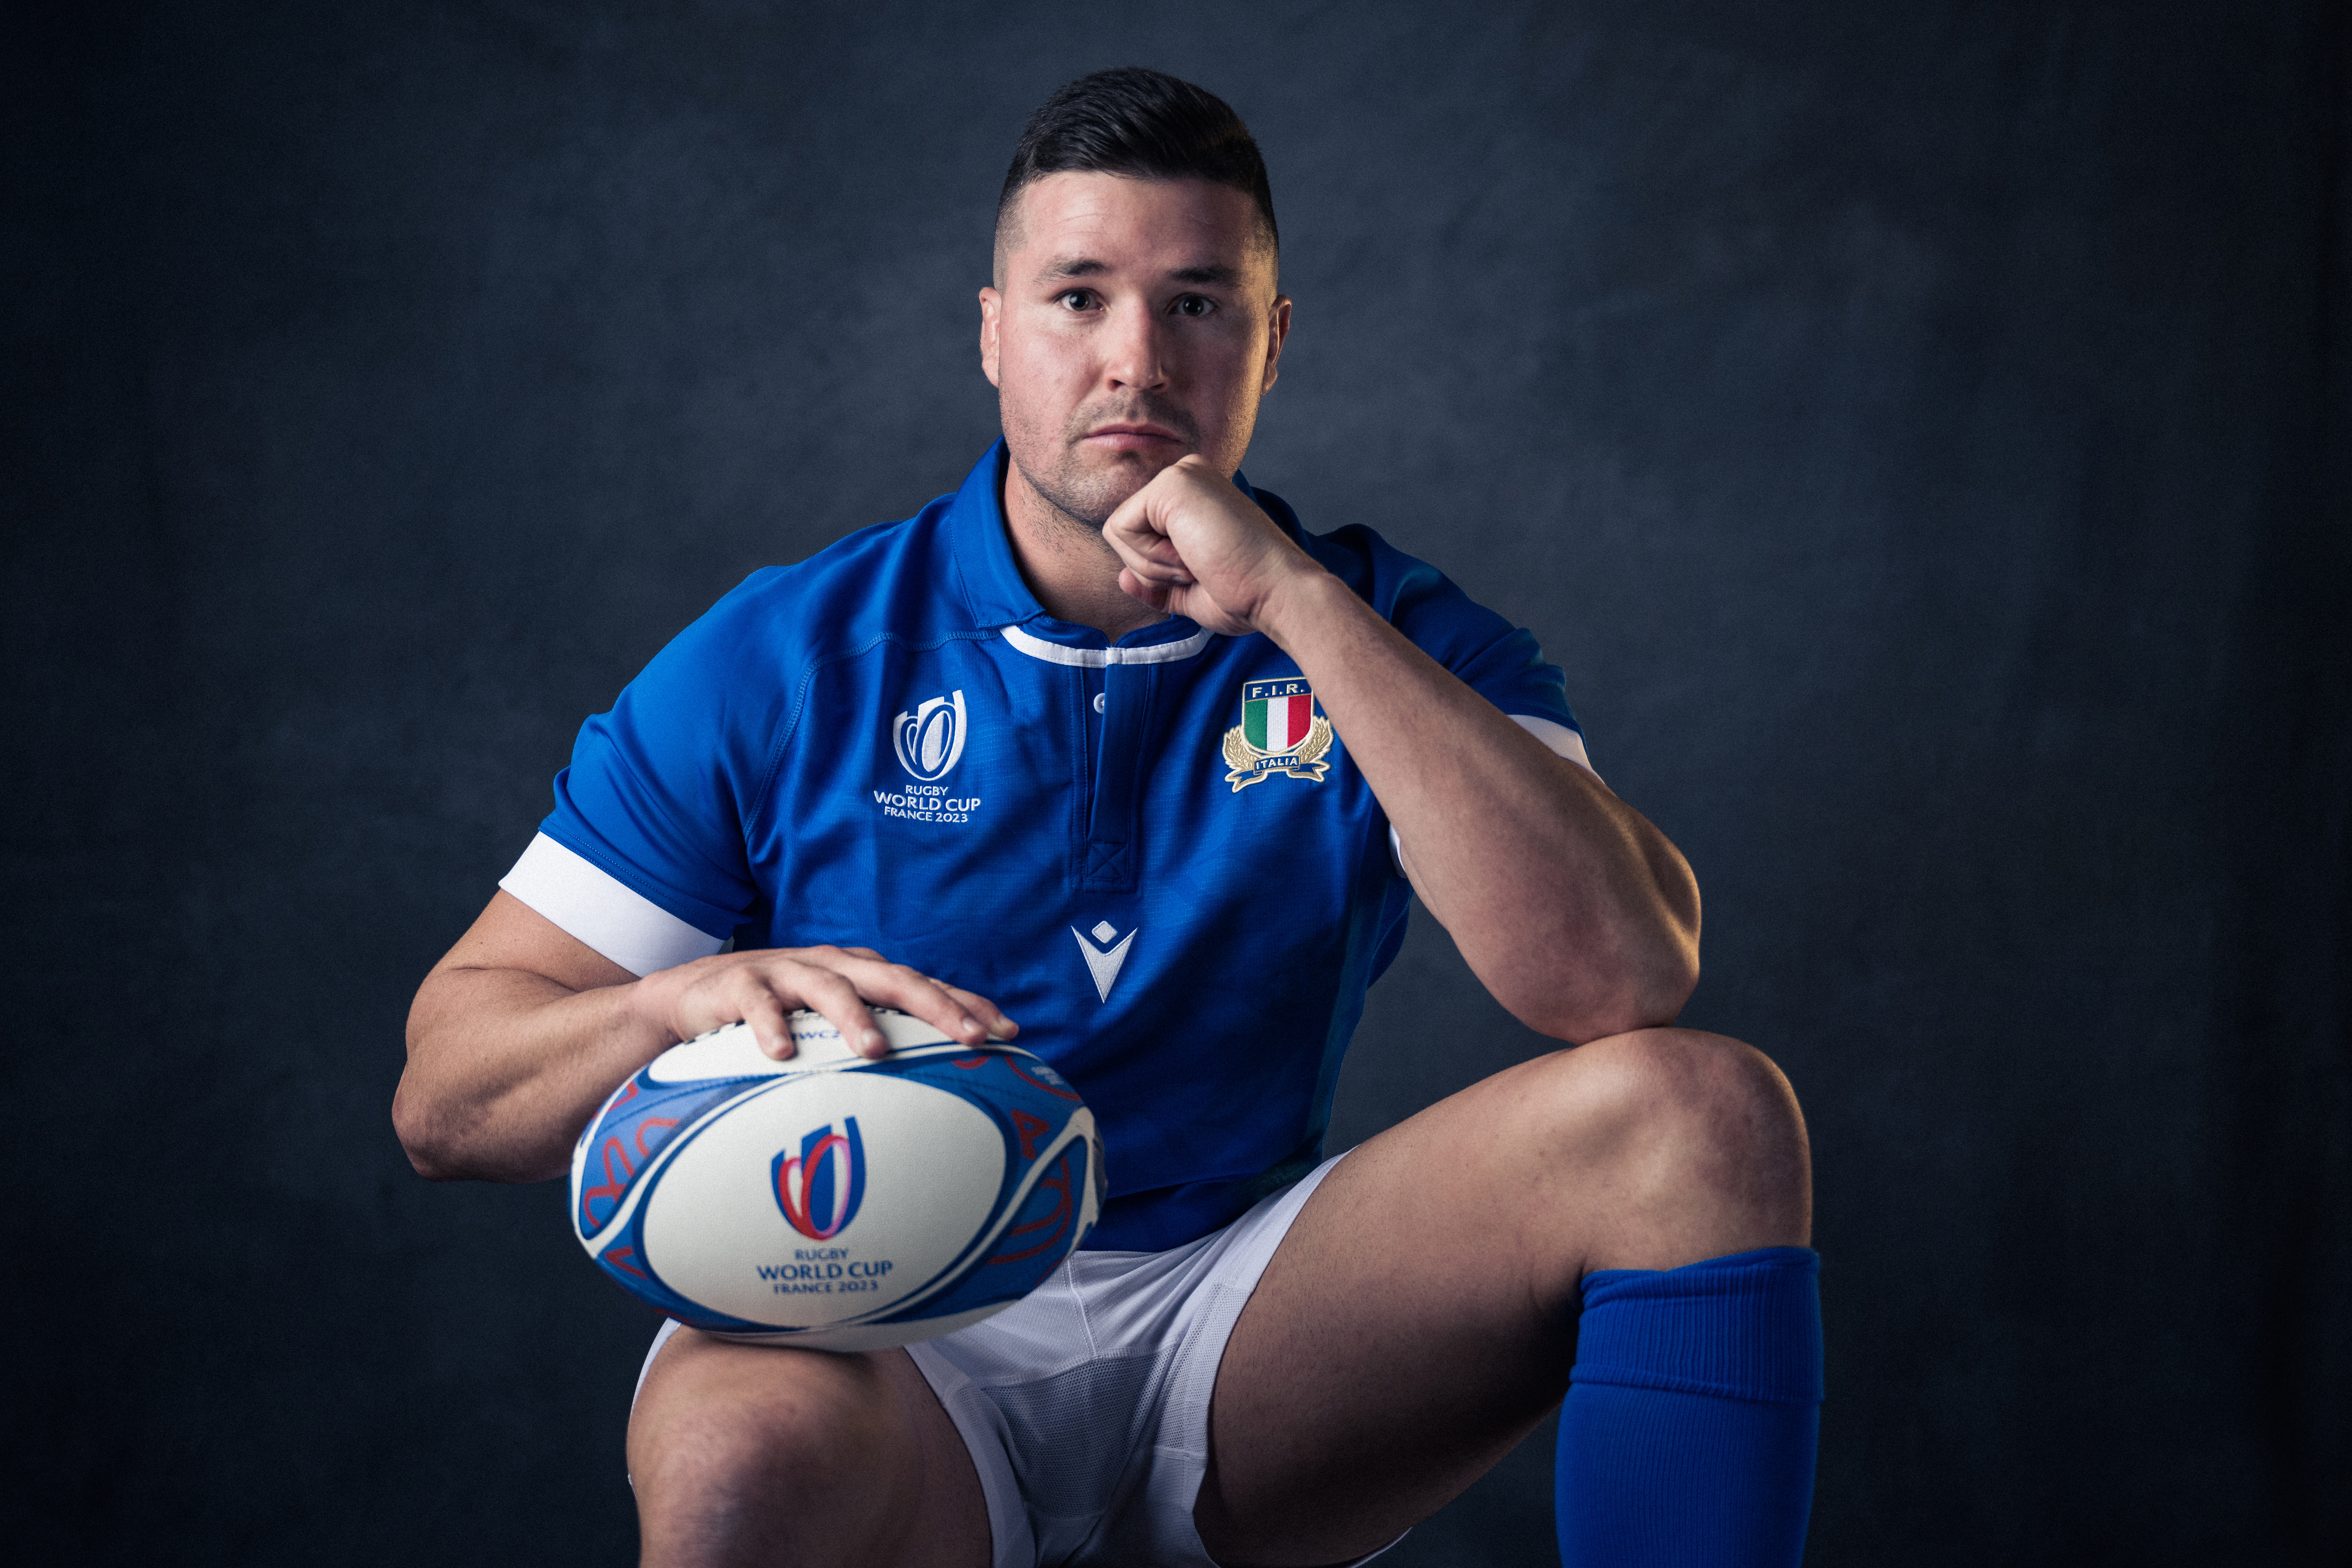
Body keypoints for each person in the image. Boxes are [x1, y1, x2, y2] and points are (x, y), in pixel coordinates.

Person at [396, 66, 1820, 1568]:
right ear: (994, 333)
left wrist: (1287, 600)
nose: (1135, 358)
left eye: (1196, 303)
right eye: (1078, 297)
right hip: (880, 1320)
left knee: (1703, 1118)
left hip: (1249, 1325)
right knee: (736, 1461)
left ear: (1270, 343)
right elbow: (445, 1100)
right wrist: (677, 1005)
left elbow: (1619, 981)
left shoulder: (1395, 636)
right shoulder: (786, 656)